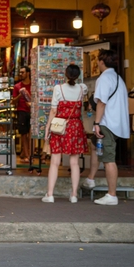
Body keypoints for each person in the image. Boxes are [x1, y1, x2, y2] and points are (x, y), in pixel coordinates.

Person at [81, 50, 129, 205]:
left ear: (101, 62)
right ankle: (90, 179)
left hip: (107, 123)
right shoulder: (118, 78)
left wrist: (96, 123)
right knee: (95, 146)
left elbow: (101, 102)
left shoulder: (104, 78)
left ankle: (112, 195)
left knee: (108, 158)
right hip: (117, 122)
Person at [42, 65, 88, 203]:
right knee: (74, 162)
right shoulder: (82, 88)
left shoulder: (58, 89)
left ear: (65, 74)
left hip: (60, 126)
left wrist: (47, 128)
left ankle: (50, 195)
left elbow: (53, 111)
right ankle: (74, 195)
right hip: (75, 127)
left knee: (55, 162)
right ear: (78, 75)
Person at [12, 66, 32, 163]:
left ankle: (27, 153)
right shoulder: (17, 86)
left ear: (28, 73)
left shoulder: (33, 85)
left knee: (31, 133)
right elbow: (13, 102)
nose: (21, 74)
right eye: (20, 72)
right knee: (23, 134)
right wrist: (20, 95)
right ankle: (27, 155)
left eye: (22, 72)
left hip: (32, 111)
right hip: (21, 111)